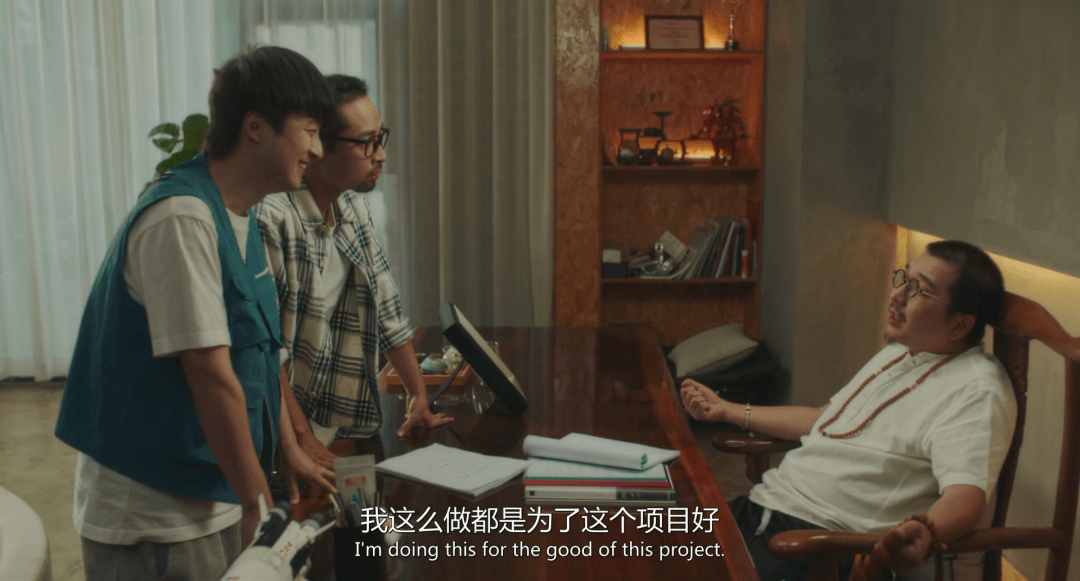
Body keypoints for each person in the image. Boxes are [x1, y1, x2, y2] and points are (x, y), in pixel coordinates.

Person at [54, 46, 338, 580]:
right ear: (256, 127)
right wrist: (259, 504)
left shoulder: (240, 214)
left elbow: (260, 350)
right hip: (158, 518)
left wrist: (287, 449)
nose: (317, 150)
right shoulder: (181, 217)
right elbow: (210, 375)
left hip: (214, 493)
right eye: (310, 131)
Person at [681, 240, 1017, 581]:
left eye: (917, 290)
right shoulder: (904, 351)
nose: (896, 295)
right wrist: (727, 410)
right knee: (650, 534)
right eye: (904, 278)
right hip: (763, 509)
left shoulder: (977, 389)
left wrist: (925, 530)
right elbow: (826, 419)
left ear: (959, 326)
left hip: (821, 548)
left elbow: (965, 495)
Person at [256, 75, 452, 469]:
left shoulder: (352, 206)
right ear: (316, 147)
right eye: (367, 143)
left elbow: (387, 310)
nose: (381, 156)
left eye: (381, 139)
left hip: (340, 420)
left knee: (380, 507)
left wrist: (418, 395)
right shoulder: (272, 219)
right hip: (281, 430)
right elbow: (265, 351)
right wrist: (301, 438)